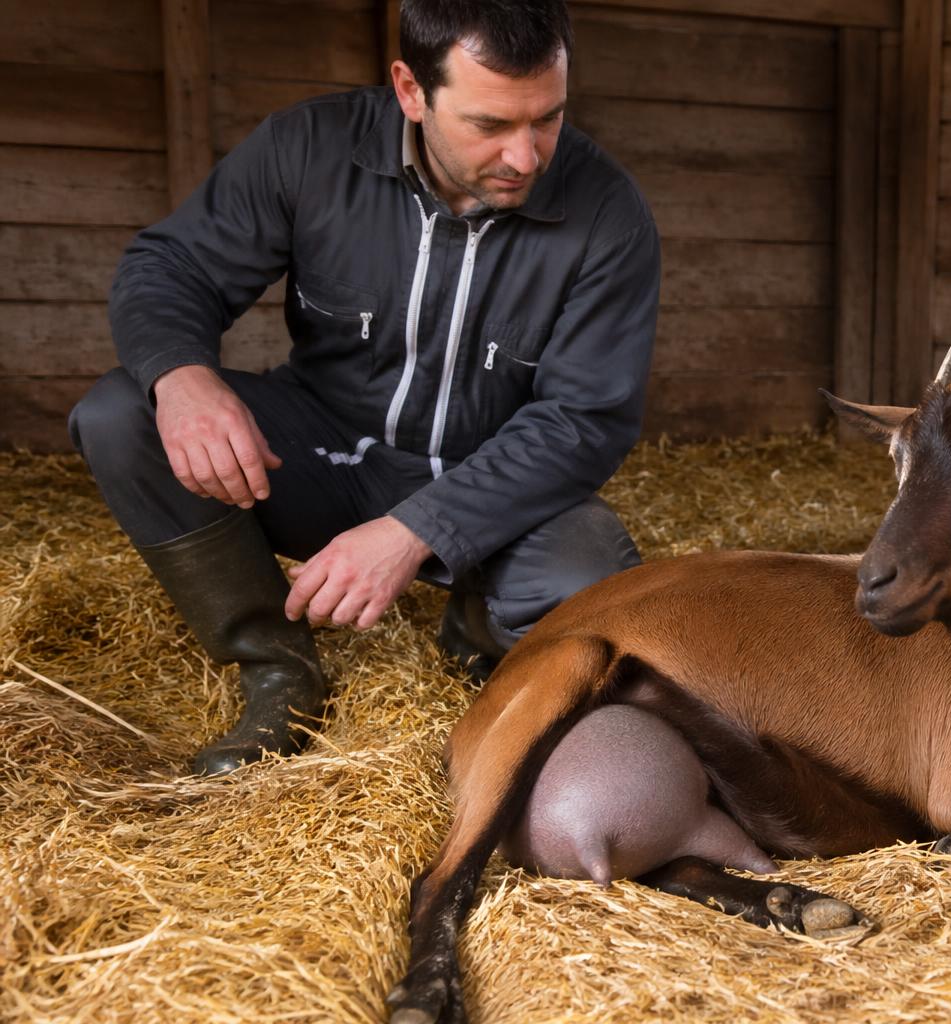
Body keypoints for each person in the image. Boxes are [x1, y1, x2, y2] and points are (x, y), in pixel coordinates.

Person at [68, 0, 659, 776]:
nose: (525, 156)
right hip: (320, 454)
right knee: (122, 412)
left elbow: (583, 419)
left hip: (492, 482)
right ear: (411, 90)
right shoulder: (307, 147)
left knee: (591, 589)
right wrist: (183, 379)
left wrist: (415, 530)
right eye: (489, 125)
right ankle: (278, 671)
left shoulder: (609, 212)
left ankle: (477, 632)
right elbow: (171, 267)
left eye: (547, 118)